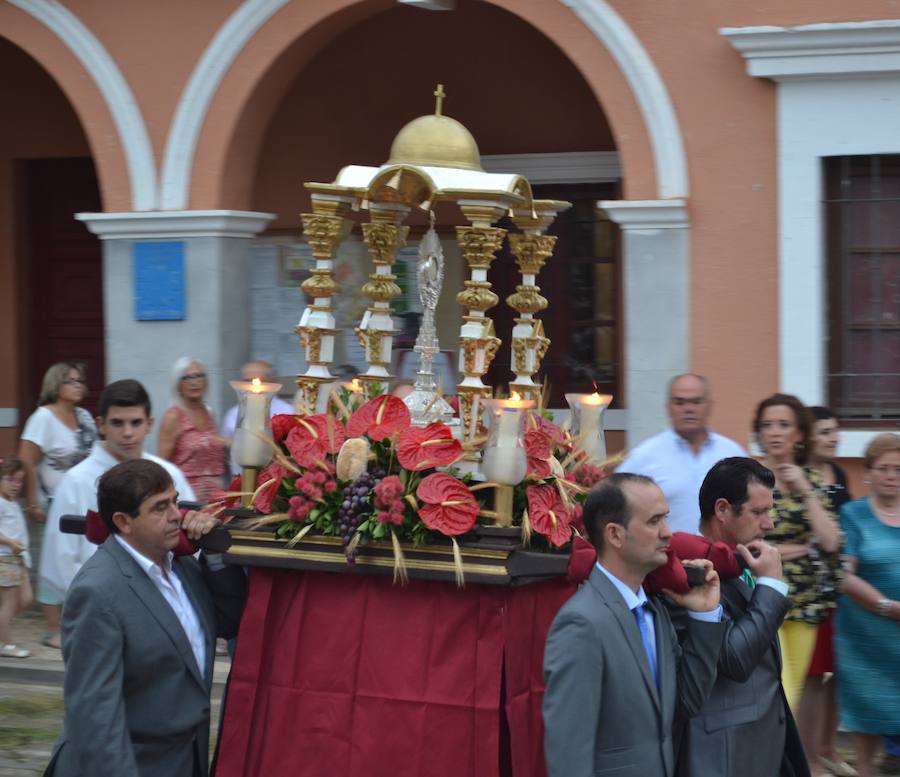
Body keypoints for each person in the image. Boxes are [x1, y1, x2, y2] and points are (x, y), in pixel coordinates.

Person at [44, 459, 247, 777]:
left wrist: (214, 552)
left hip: (182, 760)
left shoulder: (183, 567)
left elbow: (228, 622)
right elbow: (95, 715)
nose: (176, 515)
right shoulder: (97, 592)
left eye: (175, 501)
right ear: (124, 521)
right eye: (160, 507)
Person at [542, 473, 726, 777]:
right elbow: (568, 752)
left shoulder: (654, 611)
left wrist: (705, 615)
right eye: (654, 522)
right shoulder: (581, 623)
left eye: (665, 518)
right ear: (615, 535)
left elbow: (686, 701)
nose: (668, 533)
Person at [674, 457, 809, 777]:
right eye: (759, 512)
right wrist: (772, 586)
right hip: (724, 753)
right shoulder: (691, 573)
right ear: (722, 510)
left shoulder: (744, 563)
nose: (769, 524)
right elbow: (734, 658)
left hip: (762, 740)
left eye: (770, 511)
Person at [37, 379, 195, 633]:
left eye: (135, 422)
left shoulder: (170, 476)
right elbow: (60, 562)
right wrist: (101, 606)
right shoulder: (76, 482)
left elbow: (190, 548)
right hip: (103, 617)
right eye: (118, 423)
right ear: (101, 425)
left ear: (149, 424)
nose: (127, 433)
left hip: (169, 612)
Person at [754, 394, 841, 746]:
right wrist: (804, 548)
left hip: (803, 604)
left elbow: (830, 541)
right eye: (767, 425)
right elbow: (750, 544)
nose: (775, 432)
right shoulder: (750, 479)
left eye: (784, 425)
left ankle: (775, 762)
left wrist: (804, 490)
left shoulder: (812, 481)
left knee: (791, 696)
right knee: (781, 691)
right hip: (761, 601)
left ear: (800, 434)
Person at [18, 362, 97, 646]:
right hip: (55, 502)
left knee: (83, 560)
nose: (77, 385)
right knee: (54, 562)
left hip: (87, 500)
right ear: (55, 385)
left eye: (79, 381)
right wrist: (32, 501)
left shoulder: (84, 417)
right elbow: (27, 460)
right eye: (70, 381)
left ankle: (78, 621)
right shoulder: (43, 418)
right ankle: (54, 629)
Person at [835, 433, 900, 777]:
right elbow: (844, 576)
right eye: (884, 468)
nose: (891, 475)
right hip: (865, 638)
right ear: (869, 472)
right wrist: (888, 606)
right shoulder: (853, 514)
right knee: (866, 716)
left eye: (898, 469)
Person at [617, 374, 746, 534]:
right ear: (668, 408)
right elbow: (616, 505)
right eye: (680, 402)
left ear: (709, 406)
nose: (688, 409)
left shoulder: (733, 453)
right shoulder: (644, 457)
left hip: (726, 550)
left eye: (696, 402)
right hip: (668, 549)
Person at [803, 407, 856, 777]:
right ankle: (807, 756)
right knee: (812, 673)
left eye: (834, 431)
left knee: (840, 669)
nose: (832, 438)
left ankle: (827, 748)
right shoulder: (796, 477)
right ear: (807, 437)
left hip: (840, 584)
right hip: (808, 588)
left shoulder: (838, 473)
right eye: (824, 432)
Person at [158, 357, 228, 503]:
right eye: (187, 378)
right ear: (178, 384)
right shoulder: (173, 416)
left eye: (199, 376)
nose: (194, 382)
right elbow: (161, 464)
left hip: (217, 498)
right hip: (187, 498)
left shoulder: (209, 412)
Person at [220, 360, 293, 476]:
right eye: (247, 381)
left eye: (257, 381)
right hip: (239, 477)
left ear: (271, 381)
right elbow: (224, 448)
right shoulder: (233, 413)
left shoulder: (288, 412)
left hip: (273, 478)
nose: (252, 387)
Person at [0, 456, 34, 658]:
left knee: (26, 599)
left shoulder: (10, 502)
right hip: (5, 559)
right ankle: (6, 645)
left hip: (18, 559)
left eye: (20, 480)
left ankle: (2, 629)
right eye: (10, 479)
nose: (16, 485)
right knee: (9, 604)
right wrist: (10, 542)